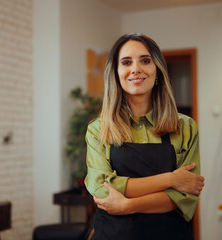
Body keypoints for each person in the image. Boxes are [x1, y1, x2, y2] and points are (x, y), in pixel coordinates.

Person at [84, 33, 205, 240]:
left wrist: (128, 205)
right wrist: (170, 179)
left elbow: (185, 195)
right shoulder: (98, 129)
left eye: (145, 61)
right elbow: (103, 190)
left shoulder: (186, 127)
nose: (135, 69)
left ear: (157, 71)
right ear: (116, 73)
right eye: (126, 62)